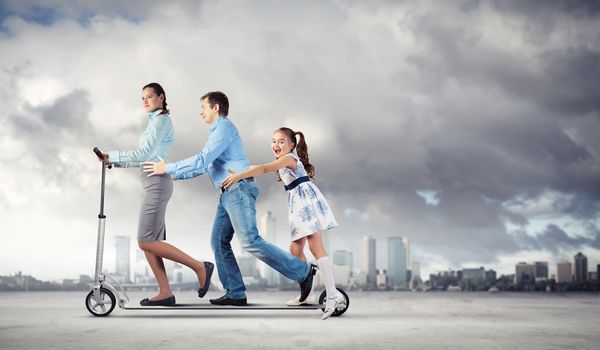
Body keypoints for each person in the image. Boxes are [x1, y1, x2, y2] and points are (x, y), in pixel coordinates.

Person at [143, 91, 316, 306]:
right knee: (218, 241)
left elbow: (202, 159)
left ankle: (304, 271)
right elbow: (204, 166)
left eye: (203, 107)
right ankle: (235, 292)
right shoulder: (217, 132)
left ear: (216, 108)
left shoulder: (224, 128)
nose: (200, 112)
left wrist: (167, 167)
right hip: (228, 192)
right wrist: (169, 173)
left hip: (239, 188)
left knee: (250, 241)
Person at [96, 82, 213, 306]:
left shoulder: (160, 121)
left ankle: (200, 267)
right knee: (151, 240)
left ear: (161, 97)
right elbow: (144, 157)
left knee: (144, 241)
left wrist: (111, 153)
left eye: (150, 96)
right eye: (142, 98)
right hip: (151, 181)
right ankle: (165, 292)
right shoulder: (155, 122)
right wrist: (114, 163)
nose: (145, 101)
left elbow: (144, 153)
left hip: (157, 182)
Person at [220, 127, 345, 319]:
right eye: (273, 141)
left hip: (306, 203)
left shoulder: (289, 158)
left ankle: (333, 295)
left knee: (316, 247)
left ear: (291, 145)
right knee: (295, 250)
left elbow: (264, 168)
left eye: (281, 141)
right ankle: (307, 295)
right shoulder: (284, 160)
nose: (276, 145)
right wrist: (241, 170)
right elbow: (262, 167)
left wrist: (239, 174)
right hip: (298, 204)